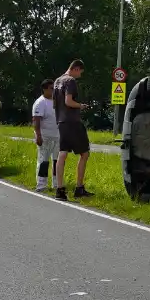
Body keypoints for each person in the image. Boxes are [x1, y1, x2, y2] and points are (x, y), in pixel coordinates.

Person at [53, 59, 93, 201]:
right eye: (80, 72)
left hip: (61, 121)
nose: (80, 75)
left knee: (62, 153)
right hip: (72, 122)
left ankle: (60, 189)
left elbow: (55, 103)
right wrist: (81, 106)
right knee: (85, 153)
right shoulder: (70, 81)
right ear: (76, 68)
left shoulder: (57, 81)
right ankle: (79, 188)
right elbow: (68, 101)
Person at [31, 78, 59, 192]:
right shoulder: (40, 102)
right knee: (44, 160)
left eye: (55, 88)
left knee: (57, 161)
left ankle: (56, 184)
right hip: (45, 136)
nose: (54, 91)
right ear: (44, 89)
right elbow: (36, 120)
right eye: (52, 88)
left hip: (57, 135)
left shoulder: (56, 101)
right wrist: (38, 135)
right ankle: (41, 184)